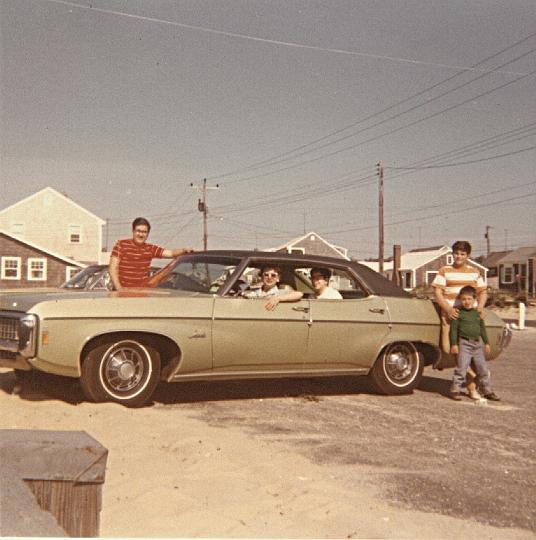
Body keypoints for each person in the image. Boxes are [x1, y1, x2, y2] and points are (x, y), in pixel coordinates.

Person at [432, 240, 487, 400]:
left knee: (469, 353)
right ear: (452, 254)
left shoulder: (475, 272)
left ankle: (472, 389)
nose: (458, 256)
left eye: (462, 254)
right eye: (456, 253)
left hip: (468, 317)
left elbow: (482, 292)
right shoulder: (444, 270)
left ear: (468, 256)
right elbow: (437, 293)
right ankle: (474, 375)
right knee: (449, 349)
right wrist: (447, 309)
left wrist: (480, 307)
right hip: (450, 315)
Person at [109, 217, 194, 290]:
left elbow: (171, 253)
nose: (141, 234)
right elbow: (113, 269)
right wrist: (119, 289)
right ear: (133, 231)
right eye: (138, 231)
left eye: (144, 232)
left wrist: (184, 250)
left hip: (141, 294)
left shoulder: (150, 249)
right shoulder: (121, 245)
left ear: (148, 233)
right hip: (121, 292)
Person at [449, 286, 500, 402]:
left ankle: (487, 390)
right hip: (464, 344)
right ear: (460, 300)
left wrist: (486, 342)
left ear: (474, 299)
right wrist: (454, 344)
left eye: (469, 299)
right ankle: (455, 389)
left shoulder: (477, 313)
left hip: (478, 344)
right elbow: (453, 330)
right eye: (463, 299)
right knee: (461, 367)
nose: (466, 302)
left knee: (482, 368)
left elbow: (482, 328)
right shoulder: (458, 314)